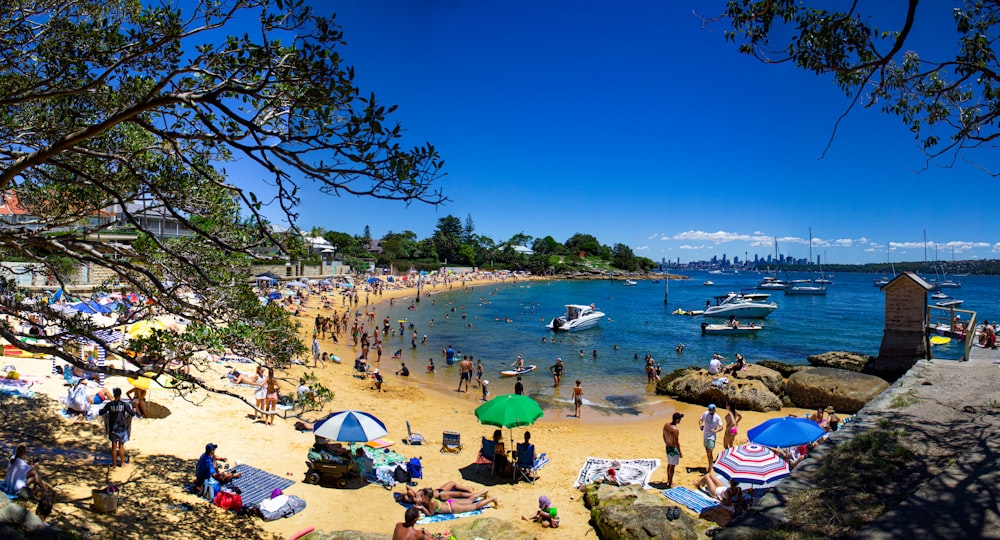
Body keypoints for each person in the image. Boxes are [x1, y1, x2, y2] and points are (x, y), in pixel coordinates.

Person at [98, 388, 135, 467]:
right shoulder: (124, 404)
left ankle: (114, 464)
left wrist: (101, 410)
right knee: (121, 446)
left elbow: (102, 412)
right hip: (122, 427)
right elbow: (131, 413)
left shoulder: (109, 405)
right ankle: (122, 463)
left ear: (114, 395)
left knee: (114, 446)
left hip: (113, 428)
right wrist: (134, 410)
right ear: (120, 395)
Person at [699, 403, 724, 470]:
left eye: (712, 412)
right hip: (705, 436)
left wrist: (716, 430)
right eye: (710, 411)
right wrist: (700, 425)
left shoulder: (717, 417)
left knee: (710, 453)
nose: (711, 413)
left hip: (712, 437)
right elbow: (701, 420)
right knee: (708, 453)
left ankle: (710, 467)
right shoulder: (705, 414)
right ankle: (710, 464)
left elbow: (721, 427)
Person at [662, 412, 683, 488]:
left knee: (669, 464)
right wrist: (680, 452)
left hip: (668, 447)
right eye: (680, 419)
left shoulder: (666, 425)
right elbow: (676, 442)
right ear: (677, 420)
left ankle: (669, 480)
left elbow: (663, 436)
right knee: (672, 466)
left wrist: (667, 443)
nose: (680, 420)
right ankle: (670, 483)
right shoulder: (675, 430)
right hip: (673, 449)